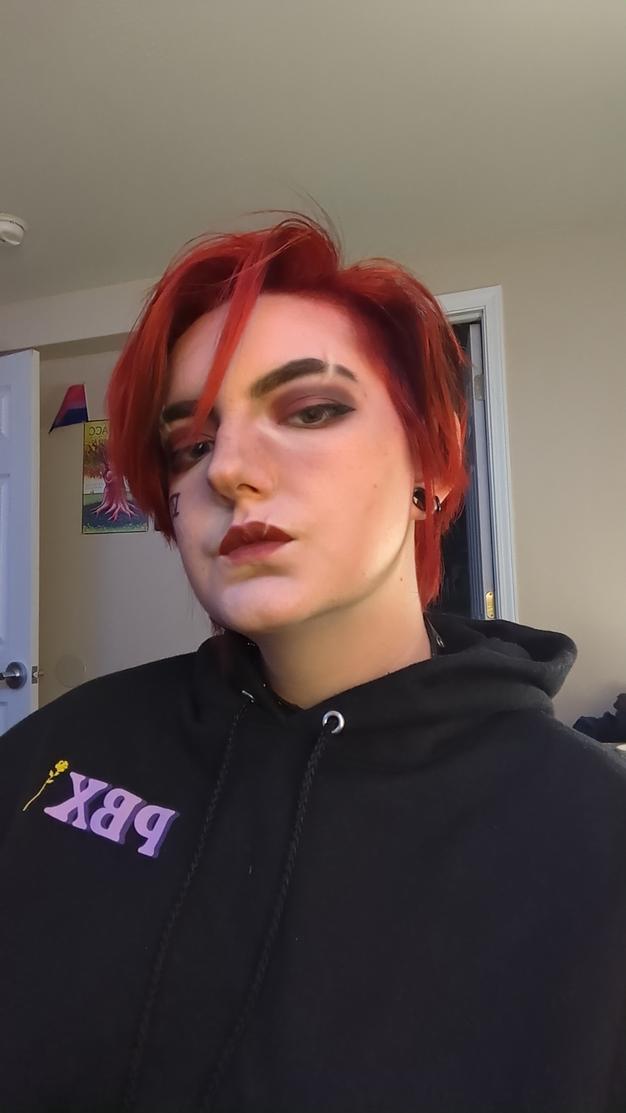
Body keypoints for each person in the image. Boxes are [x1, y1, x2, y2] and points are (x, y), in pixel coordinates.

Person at [1, 212, 626, 1113]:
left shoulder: (591, 834)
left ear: (432, 461)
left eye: (310, 410)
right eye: (190, 444)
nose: (228, 470)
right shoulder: (65, 746)